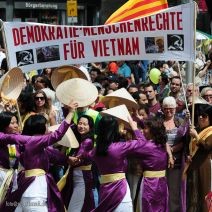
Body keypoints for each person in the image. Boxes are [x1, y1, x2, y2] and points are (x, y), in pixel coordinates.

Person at [0, 101, 79, 212]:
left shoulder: (34, 144)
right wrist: (71, 113)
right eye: (46, 126)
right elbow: (57, 135)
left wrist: (67, 159)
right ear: (40, 128)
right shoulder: (32, 141)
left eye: (16, 122)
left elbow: (53, 154)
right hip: (33, 192)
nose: (16, 125)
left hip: (28, 189)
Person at [84, 114, 170, 212]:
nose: (143, 130)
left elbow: (87, 155)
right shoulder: (120, 147)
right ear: (114, 130)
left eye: (145, 128)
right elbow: (142, 144)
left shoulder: (96, 151)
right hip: (123, 190)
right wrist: (134, 127)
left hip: (106, 190)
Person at [61, 115, 95, 212]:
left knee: (74, 208)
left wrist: (65, 158)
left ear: (90, 127)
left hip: (82, 180)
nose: (81, 126)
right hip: (76, 179)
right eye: (80, 123)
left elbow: (76, 160)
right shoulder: (79, 140)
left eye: (85, 124)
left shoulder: (87, 141)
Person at [161, 96, 189, 212]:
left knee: (174, 192)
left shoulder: (181, 121)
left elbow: (184, 142)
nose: (169, 111)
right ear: (163, 109)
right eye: (166, 108)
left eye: (171, 108)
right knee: (162, 191)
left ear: (175, 108)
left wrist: (171, 151)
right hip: (161, 161)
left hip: (176, 163)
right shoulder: (159, 122)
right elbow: (157, 139)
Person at [187, 104, 212, 212]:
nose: (201, 117)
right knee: (193, 194)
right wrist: (188, 156)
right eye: (199, 115)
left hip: (205, 165)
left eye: (204, 115)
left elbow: (207, 147)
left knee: (205, 193)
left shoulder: (210, 131)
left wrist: (196, 136)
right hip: (194, 165)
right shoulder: (195, 129)